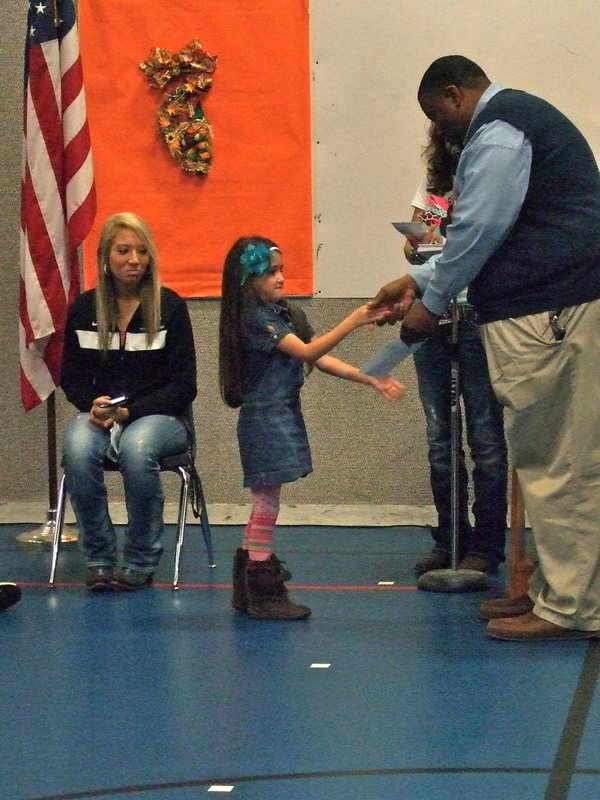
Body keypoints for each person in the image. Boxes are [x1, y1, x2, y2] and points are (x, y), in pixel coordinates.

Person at [370, 55, 600, 641]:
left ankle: (572, 608)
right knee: (552, 461)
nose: (440, 129)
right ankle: (557, 593)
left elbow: (478, 227)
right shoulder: (515, 123)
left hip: (547, 312)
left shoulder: (499, 130)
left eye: (437, 114)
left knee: (558, 464)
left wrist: (432, 300)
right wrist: (416, 281)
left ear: (455, 93)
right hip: (546, 309)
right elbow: (470, 230)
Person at [219, 236, 404, 620]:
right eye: (271, 273)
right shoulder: (256, 319)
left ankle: (248, 583)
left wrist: (368, 377)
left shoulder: (281, 314)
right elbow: (307, 352)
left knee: (265, 503)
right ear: (248, 279)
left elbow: (320, 357)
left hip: (281, 414)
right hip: (265, 418)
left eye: (281, 270)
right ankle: (261, 587)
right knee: (266, 504)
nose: (281, 278)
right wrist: (354, 318)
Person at [61, 212, 197, 591]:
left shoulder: (169, 307)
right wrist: (92, 402)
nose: (133, 260)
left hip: (162, 417)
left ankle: (140, 559)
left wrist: (130, 412)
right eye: (123, 251)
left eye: (141, 251)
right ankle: (100, 558)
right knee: (76, 445)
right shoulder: (84, 310)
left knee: (137, 448)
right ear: (106, 256)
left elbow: (184, 386)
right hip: (103, 415)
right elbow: (70, 377)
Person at [404, 124, 508, 576]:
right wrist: (418, 239)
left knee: (485, 437)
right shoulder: (436, 194)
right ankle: (450, 539)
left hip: (477, 318)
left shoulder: (487, 188)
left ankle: (486, 545)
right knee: (439, 438)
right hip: (434, 317)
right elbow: (411, 252)